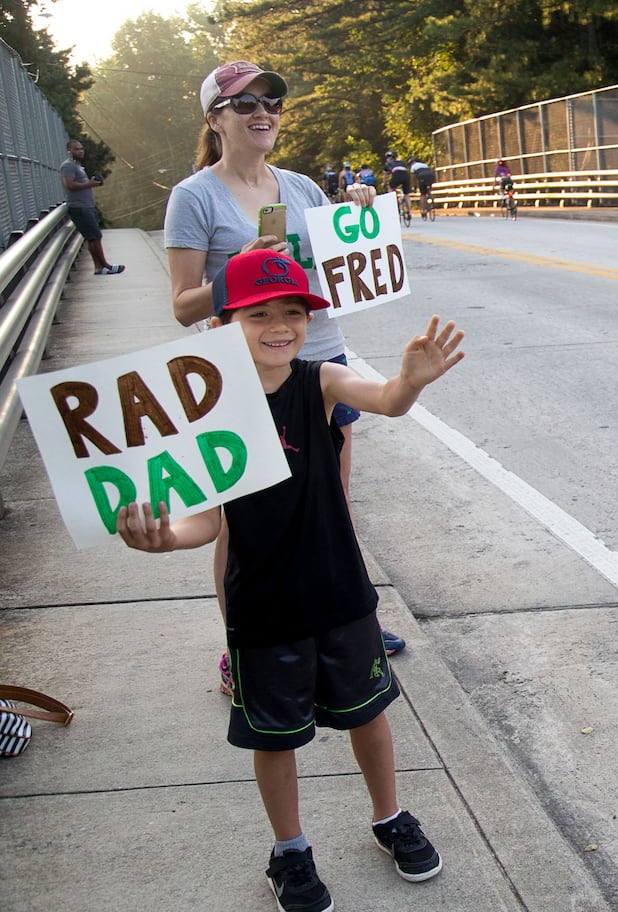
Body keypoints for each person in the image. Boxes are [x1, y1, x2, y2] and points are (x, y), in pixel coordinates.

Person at [116, 249, 464, 911]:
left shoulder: (322, 381)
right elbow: (204, 521)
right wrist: (162, 537)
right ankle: (291, 851)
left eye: (294, 313)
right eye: (261, 315)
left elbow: (387, 399)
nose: (281, 326)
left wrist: (411, 382)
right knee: (273, 738)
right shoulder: (209, 410)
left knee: (370, 715)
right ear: (225, 324)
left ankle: (389, 817)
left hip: (340, 592)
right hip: (263, 606)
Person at [162, 60, 406, 700]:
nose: (262, 112)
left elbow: (343, 258)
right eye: (244, 104)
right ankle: (241, 646)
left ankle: (346, 625)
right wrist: (238, 268)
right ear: (215, 119)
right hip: (242, 377)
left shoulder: (299, 188)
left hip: (321, 366)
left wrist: (359, 213)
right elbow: (184, 303)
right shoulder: (196, 196)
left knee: (331, 509)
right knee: (245, 524)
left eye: (271, 101)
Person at [61, 140, 124, 275]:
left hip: (86, 206)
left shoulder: (78, 166)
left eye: (81, 148)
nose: (81, 151)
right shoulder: (68, 166)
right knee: (95, 236)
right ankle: (105, 265)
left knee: (93, 237)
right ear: (69, 151)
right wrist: (90, 184)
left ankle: (99, 267)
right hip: (79, 207)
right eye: (77, 149)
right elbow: (70, 185)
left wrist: (91, 183)